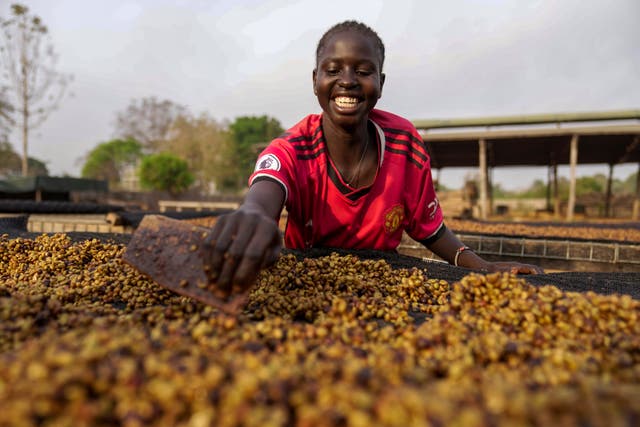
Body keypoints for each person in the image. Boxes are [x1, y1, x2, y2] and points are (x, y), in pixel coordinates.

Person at [203, 20, 543, 298]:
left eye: (363, 71)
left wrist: (479, 265)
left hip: (384, 283)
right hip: (304, 284)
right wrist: (252, 216)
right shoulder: (293, 147)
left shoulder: (404, 144)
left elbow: (430, 228)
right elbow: (265, 192)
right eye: (333, 69)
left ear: (380, 83)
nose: (347, 81)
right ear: (315, 80)